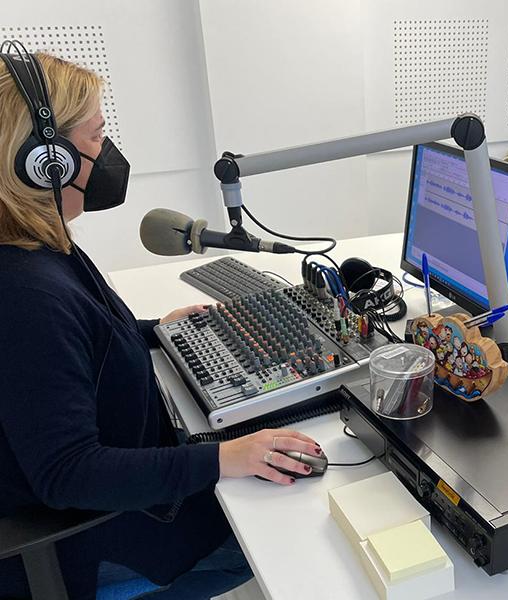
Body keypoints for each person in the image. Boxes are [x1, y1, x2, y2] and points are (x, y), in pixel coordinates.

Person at [0, 49, 323, 598]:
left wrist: (152, 329)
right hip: (103, 540)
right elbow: (68, 472)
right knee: (302, 525)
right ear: (45, 161)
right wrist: (229, 458)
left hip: (127, 496)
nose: (108, 151)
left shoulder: (34, 245)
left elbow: (80, 344)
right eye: (97, 135)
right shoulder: (25, 295)